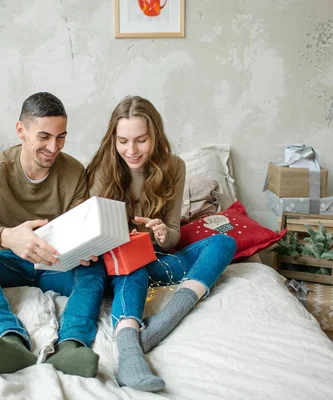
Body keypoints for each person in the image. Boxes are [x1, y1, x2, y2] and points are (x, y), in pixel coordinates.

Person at [0, 92, 106, 378]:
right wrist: (7, 237)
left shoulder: (74, 171)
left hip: (57, 262)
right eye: (44, 136)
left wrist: (87, 245)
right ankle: (9, 338)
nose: (53, 147)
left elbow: (80, 225)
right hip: (10, 262)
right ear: (21, 130)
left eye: (61, 137)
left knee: (96, 266)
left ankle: (71, 344)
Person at [86, 95, 237, 391]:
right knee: (135, 265)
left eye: (141, 140)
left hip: (155, 259)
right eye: (123, 141)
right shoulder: (103, 168)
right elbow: (91, 234)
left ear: (155, 135)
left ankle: (166, 320)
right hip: (119, 266)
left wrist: (163, 234)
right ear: (113, 140)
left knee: (224, 243)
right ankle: (130, 352)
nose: (131, 151)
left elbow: (173, 235)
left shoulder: (174, 167)